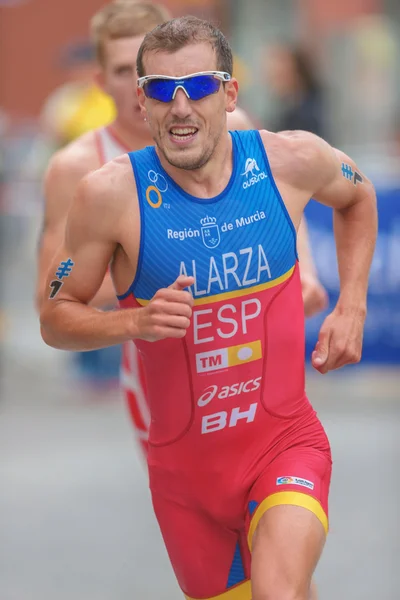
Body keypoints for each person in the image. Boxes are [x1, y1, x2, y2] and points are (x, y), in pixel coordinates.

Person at [40, 16, 377, 599]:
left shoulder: (288, 160)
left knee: (278, 589)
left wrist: (352, 306)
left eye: (197, 86)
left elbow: (358, 194)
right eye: (160, 90)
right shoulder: (107, 194)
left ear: (229, 94)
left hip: (283, 441)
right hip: (185, 478)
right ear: (140, 102)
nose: (180, 106)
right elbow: (53, 316)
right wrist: (134, 322)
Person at [36, 2, 327, 456]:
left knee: (278, 492)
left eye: (180, 78)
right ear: (115, 84)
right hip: (161, 365)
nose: (172, 95)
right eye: (130, 74)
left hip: (250, 349)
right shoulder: (79, 170)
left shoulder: (234, 128)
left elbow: (279, 202)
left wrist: (304, 270)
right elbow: (52, 299)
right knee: (195, 502)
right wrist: (145, 286)